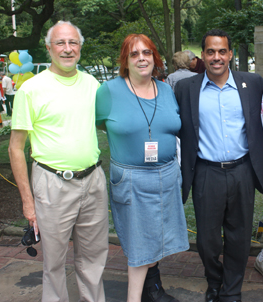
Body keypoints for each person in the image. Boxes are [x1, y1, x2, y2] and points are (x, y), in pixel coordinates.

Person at [9, 21, 109, 302]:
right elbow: (15, 148)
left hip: (93, 182)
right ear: (49, 48)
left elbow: (108, 125)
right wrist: (28, 202)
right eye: (61, 43)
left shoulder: (91, 83)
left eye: (73, 43)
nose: (67, 49)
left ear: (80, 47)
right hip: (52, 184)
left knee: (93, 259)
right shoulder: (31, 89)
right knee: (54, 263)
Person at [96, 33, 188, 302]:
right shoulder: (109, 91)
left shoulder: (167, 89)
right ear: (125, 60)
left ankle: (152, 291)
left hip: (167, 175)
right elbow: (102, 124)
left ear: (154, 58)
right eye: (134, 54)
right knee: (139, 246)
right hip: (131, 179)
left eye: (146, 53)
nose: (141, 58)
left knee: (156, 239)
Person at [175, 29, 263, 302]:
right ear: (202, 55)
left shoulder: (253, 83)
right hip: (205, 172)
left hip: (242, 171)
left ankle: (231, 290)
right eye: (211, 52)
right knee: (207, 240)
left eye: (222, 51)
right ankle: (214, 281)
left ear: (230, 54)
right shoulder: (185, 88)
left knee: (239, 237)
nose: (217, 57)